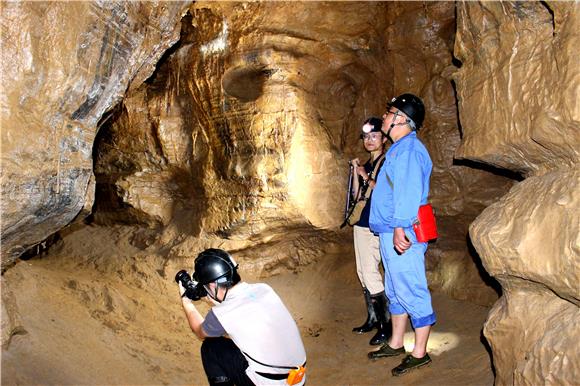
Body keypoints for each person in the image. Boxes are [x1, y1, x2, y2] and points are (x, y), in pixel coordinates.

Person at [367, 94, 436, 376]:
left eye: (389, 112)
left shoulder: (409, 151)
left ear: (402, 119)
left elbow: (407, 194)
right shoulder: (399, 149)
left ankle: (420, 353)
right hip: (392, 230)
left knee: (412, 288)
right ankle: (396, 342)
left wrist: (398, 227)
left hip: (403, 231)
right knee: (396, 289)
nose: (384, 116)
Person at [177, 248, 307, 386]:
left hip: (269, 383)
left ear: (212, 285)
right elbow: (235, 302)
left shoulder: (223, 314)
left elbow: (199, 330)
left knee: (211, 348)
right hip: (298, 380)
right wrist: (210, 293)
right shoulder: (264, 289)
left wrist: (186, 301)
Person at [349, 117, 391, 346]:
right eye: (366, 137)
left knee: (371, 273)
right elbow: (358, 196)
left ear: (384, 139)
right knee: (362, 272)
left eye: (374, 136)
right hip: (361, 224)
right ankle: (373, 319)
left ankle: (386, 326)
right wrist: (357, 173)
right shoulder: (368, 164)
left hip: (374, 226)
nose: (369, 140)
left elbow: (384, 191)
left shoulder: (387, 162)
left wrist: (365, 175)